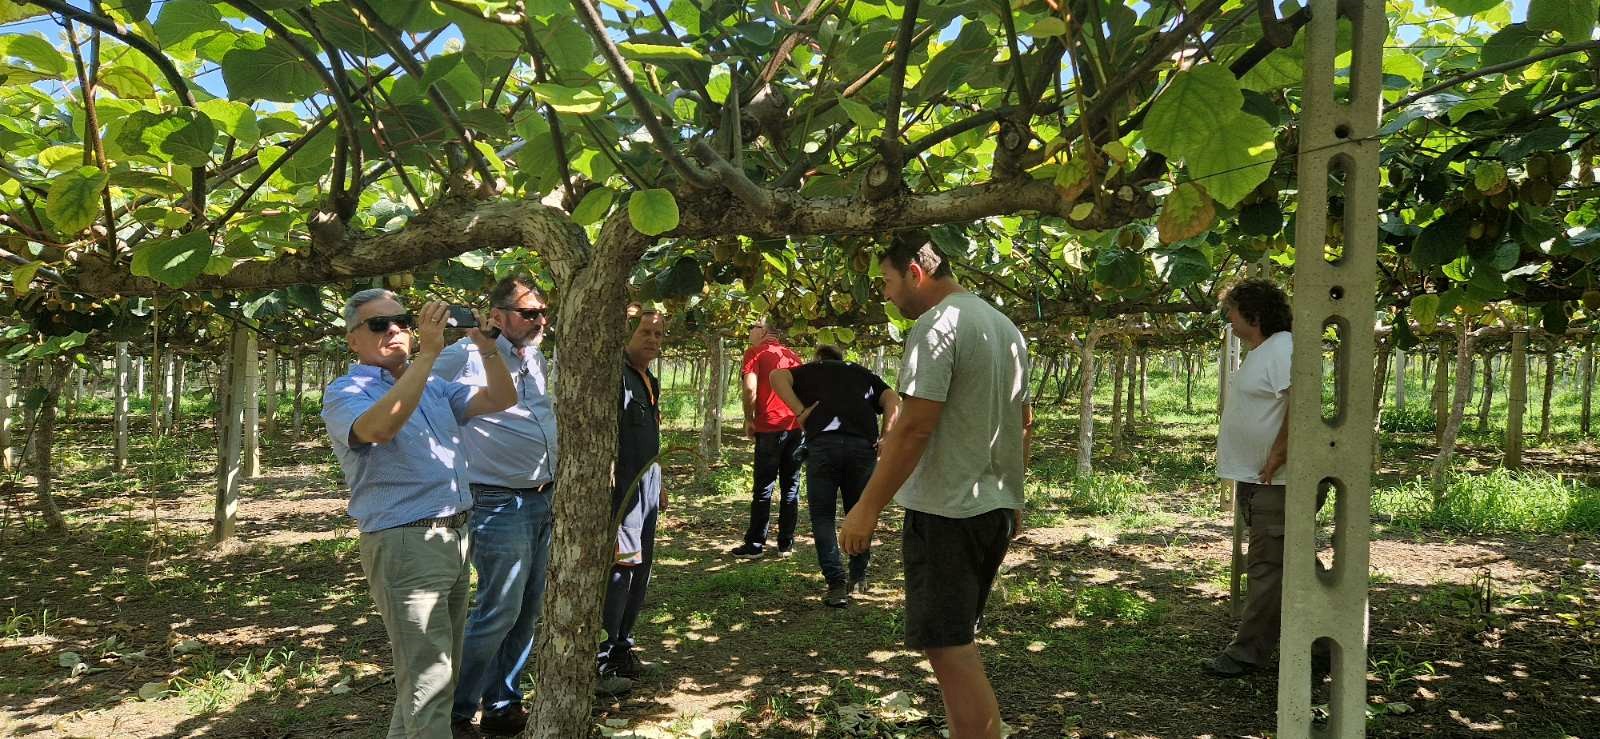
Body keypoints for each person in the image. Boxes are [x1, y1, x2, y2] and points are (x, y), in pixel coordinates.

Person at [839, 231, 1032, 739]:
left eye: (886, 280)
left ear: (916, 273)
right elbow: (1022, 421)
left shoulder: (937, 324)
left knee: (948, 646)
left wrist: (866, 507)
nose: (884, 293)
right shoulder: (1004, 325)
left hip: (948, 510)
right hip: (988, 505)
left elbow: (916, 425)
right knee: (953, 637)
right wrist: (1012, 495)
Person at [320, 290, 516, 739]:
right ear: (352, 340)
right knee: (428, 678)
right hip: (406, 541)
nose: (394, 330)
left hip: (454, 535)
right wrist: (427, 356)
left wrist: (486, 347)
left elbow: (501, 398)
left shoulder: (434, 386)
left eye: (401, 321)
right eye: (378, 325)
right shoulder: (346, 390)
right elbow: (379, 428)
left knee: (433, 673)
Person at [434, 276, 558, 737]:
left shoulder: (537, 357)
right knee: (497, 610)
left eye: (543, 312)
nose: (539, 320)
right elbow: (418, 401)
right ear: (498, 316)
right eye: (529, 313)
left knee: (528, 608)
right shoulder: (461, 357)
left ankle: (503, 701)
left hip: (543, 496)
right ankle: (457, 711)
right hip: (497, 500)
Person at [1202, 278, 1316, 678]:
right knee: (1290, 563)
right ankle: (1320, 645)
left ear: (1253, 314)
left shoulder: (1283, 348)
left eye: (1231, 311)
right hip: (1262, 481)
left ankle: (1246, 653)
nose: (1228, 319)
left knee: (1269, 568)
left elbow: (1301, 402)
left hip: (1277, 482)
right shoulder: (1265, 350)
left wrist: (1281, 453)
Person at [770, 345, 900, 607]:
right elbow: (893, 400)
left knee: (823, 516)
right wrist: (886, 436)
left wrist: (800, 411)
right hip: (862, 448)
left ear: (818, 359)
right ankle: (859, 574)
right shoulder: (861, 373)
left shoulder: (811, 370)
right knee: (860, 510)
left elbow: (776, 376)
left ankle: (836, 584)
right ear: (841, 360)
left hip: (823, 447)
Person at [597, 307, 669, 695]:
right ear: (625, 333)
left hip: (647, 486)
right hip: (622, 489)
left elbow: (650, 437)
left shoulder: (649, 380)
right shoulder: (615, 378)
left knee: (640, 568)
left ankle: (623, 646)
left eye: (659, 335)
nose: (653, 341)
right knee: (620, 569)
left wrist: (660, 483)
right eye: (646, 332)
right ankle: (602, 657)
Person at [729, 315, 804, 558]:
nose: (749, 331)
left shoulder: (755, 353)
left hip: (770, 427)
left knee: (764, 487)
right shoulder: (793, 356)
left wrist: (749, 418)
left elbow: (750, 387)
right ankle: (786, 543)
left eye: (753, 326)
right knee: (791, 485)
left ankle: (755, 544)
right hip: (794, 427)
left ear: (763, 331)